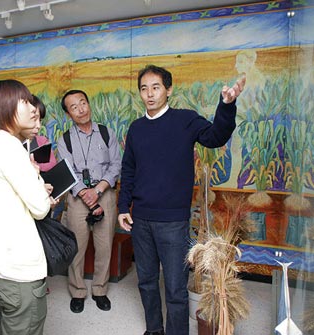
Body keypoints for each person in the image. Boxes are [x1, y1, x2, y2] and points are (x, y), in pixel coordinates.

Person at [117, 64, 246, 335]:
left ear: (168, 90)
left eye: (156, 87)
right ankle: (154, 329)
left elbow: (215, 137)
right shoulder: (137, 128)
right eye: (144, 89)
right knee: (147, 281)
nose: (149, 94)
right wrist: (122, 207)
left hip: (173, 221)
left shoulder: (185, 120)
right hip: (140, 219)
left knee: (175, 287)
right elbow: (128, 169)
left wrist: (227, 105)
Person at [0, 79, 55, 335]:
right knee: (25, 324)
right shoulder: (9, 147)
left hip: (3, 260)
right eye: (25, 101)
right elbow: (41, 208)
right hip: (18, 263)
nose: (32, 109)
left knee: (12, 324)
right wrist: (36, 178)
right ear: (4, 106)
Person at [56, 89, 121, 313]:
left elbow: (116, 165)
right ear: (68, 113)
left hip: (106, 195)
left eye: (83, 103)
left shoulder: (106, 133)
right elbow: (68, 171)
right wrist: (86, 192)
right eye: (74, 107)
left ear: (88, 104)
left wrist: (99, 189)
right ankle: (78, 291)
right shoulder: (64, 139)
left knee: (104, 246)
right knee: (76, 247)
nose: (80, 109)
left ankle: (100, 290)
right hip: (77, 198)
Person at [23, 95, 57, 172]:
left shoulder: (42, 141)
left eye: (40, 120)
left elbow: (52, 163)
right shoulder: (11, 144)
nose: (38, 126)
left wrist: (35, 165)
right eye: (33, 119)